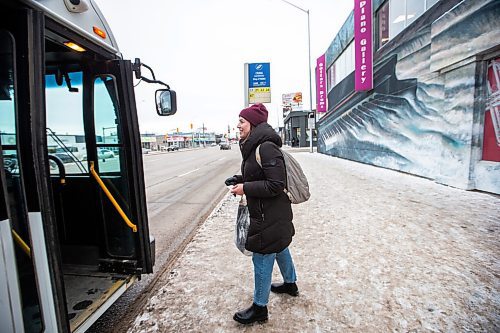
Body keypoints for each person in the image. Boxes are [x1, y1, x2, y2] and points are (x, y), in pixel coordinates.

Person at [227, 103, 299, 325]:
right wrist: (240, 179)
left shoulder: (265, 147)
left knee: (262, 254)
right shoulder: (254, 146)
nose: (238, 125)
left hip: (270, 214)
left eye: (242, 121)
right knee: (279, 247)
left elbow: (275, 184)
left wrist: (245, 188)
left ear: (253, 123)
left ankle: (260, 308)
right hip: (269, 213)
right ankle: (290, 284)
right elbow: (261, 174)